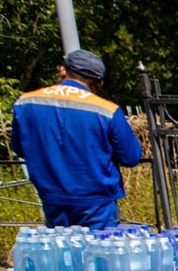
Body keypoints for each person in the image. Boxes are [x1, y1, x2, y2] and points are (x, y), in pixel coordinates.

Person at [11, 49, 143, 229]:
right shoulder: (106, 110)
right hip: (96, 203)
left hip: (52, 198)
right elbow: (131, 156)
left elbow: (19, 148)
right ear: (99, 82)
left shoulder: (25, 102)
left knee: (63, 253)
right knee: (99, 252)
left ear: (63, 70)